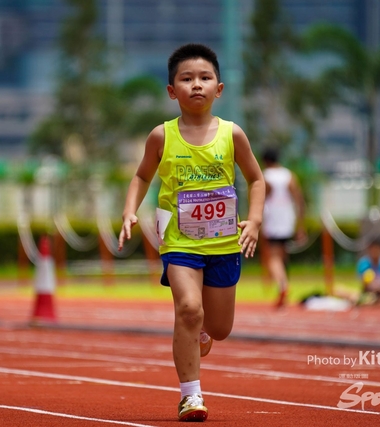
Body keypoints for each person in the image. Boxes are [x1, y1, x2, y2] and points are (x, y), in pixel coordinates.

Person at [118, 43, 265, 422]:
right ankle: (190, 396)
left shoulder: (232, 134)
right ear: (172, 91)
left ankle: (200, 332)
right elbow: (141, 176)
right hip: (179, 242)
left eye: (205, 77)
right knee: (188, 309)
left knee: (219, 327)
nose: (196, 84)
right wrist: (129, 211)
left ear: (219, 88)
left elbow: (256, 179)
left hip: (223, 243)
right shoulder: (161, 136)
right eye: (186, 79)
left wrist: (255, 219)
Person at [260, 147, 306, 308]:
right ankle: (284, 289)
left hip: (273, 220)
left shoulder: (265, 176)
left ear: (265, 161)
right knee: (283, 257)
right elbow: (299, 200)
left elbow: (261, 200)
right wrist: (301, 225)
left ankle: (283, 285)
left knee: (273, 258)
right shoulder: (289, 175)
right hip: (288, 220)